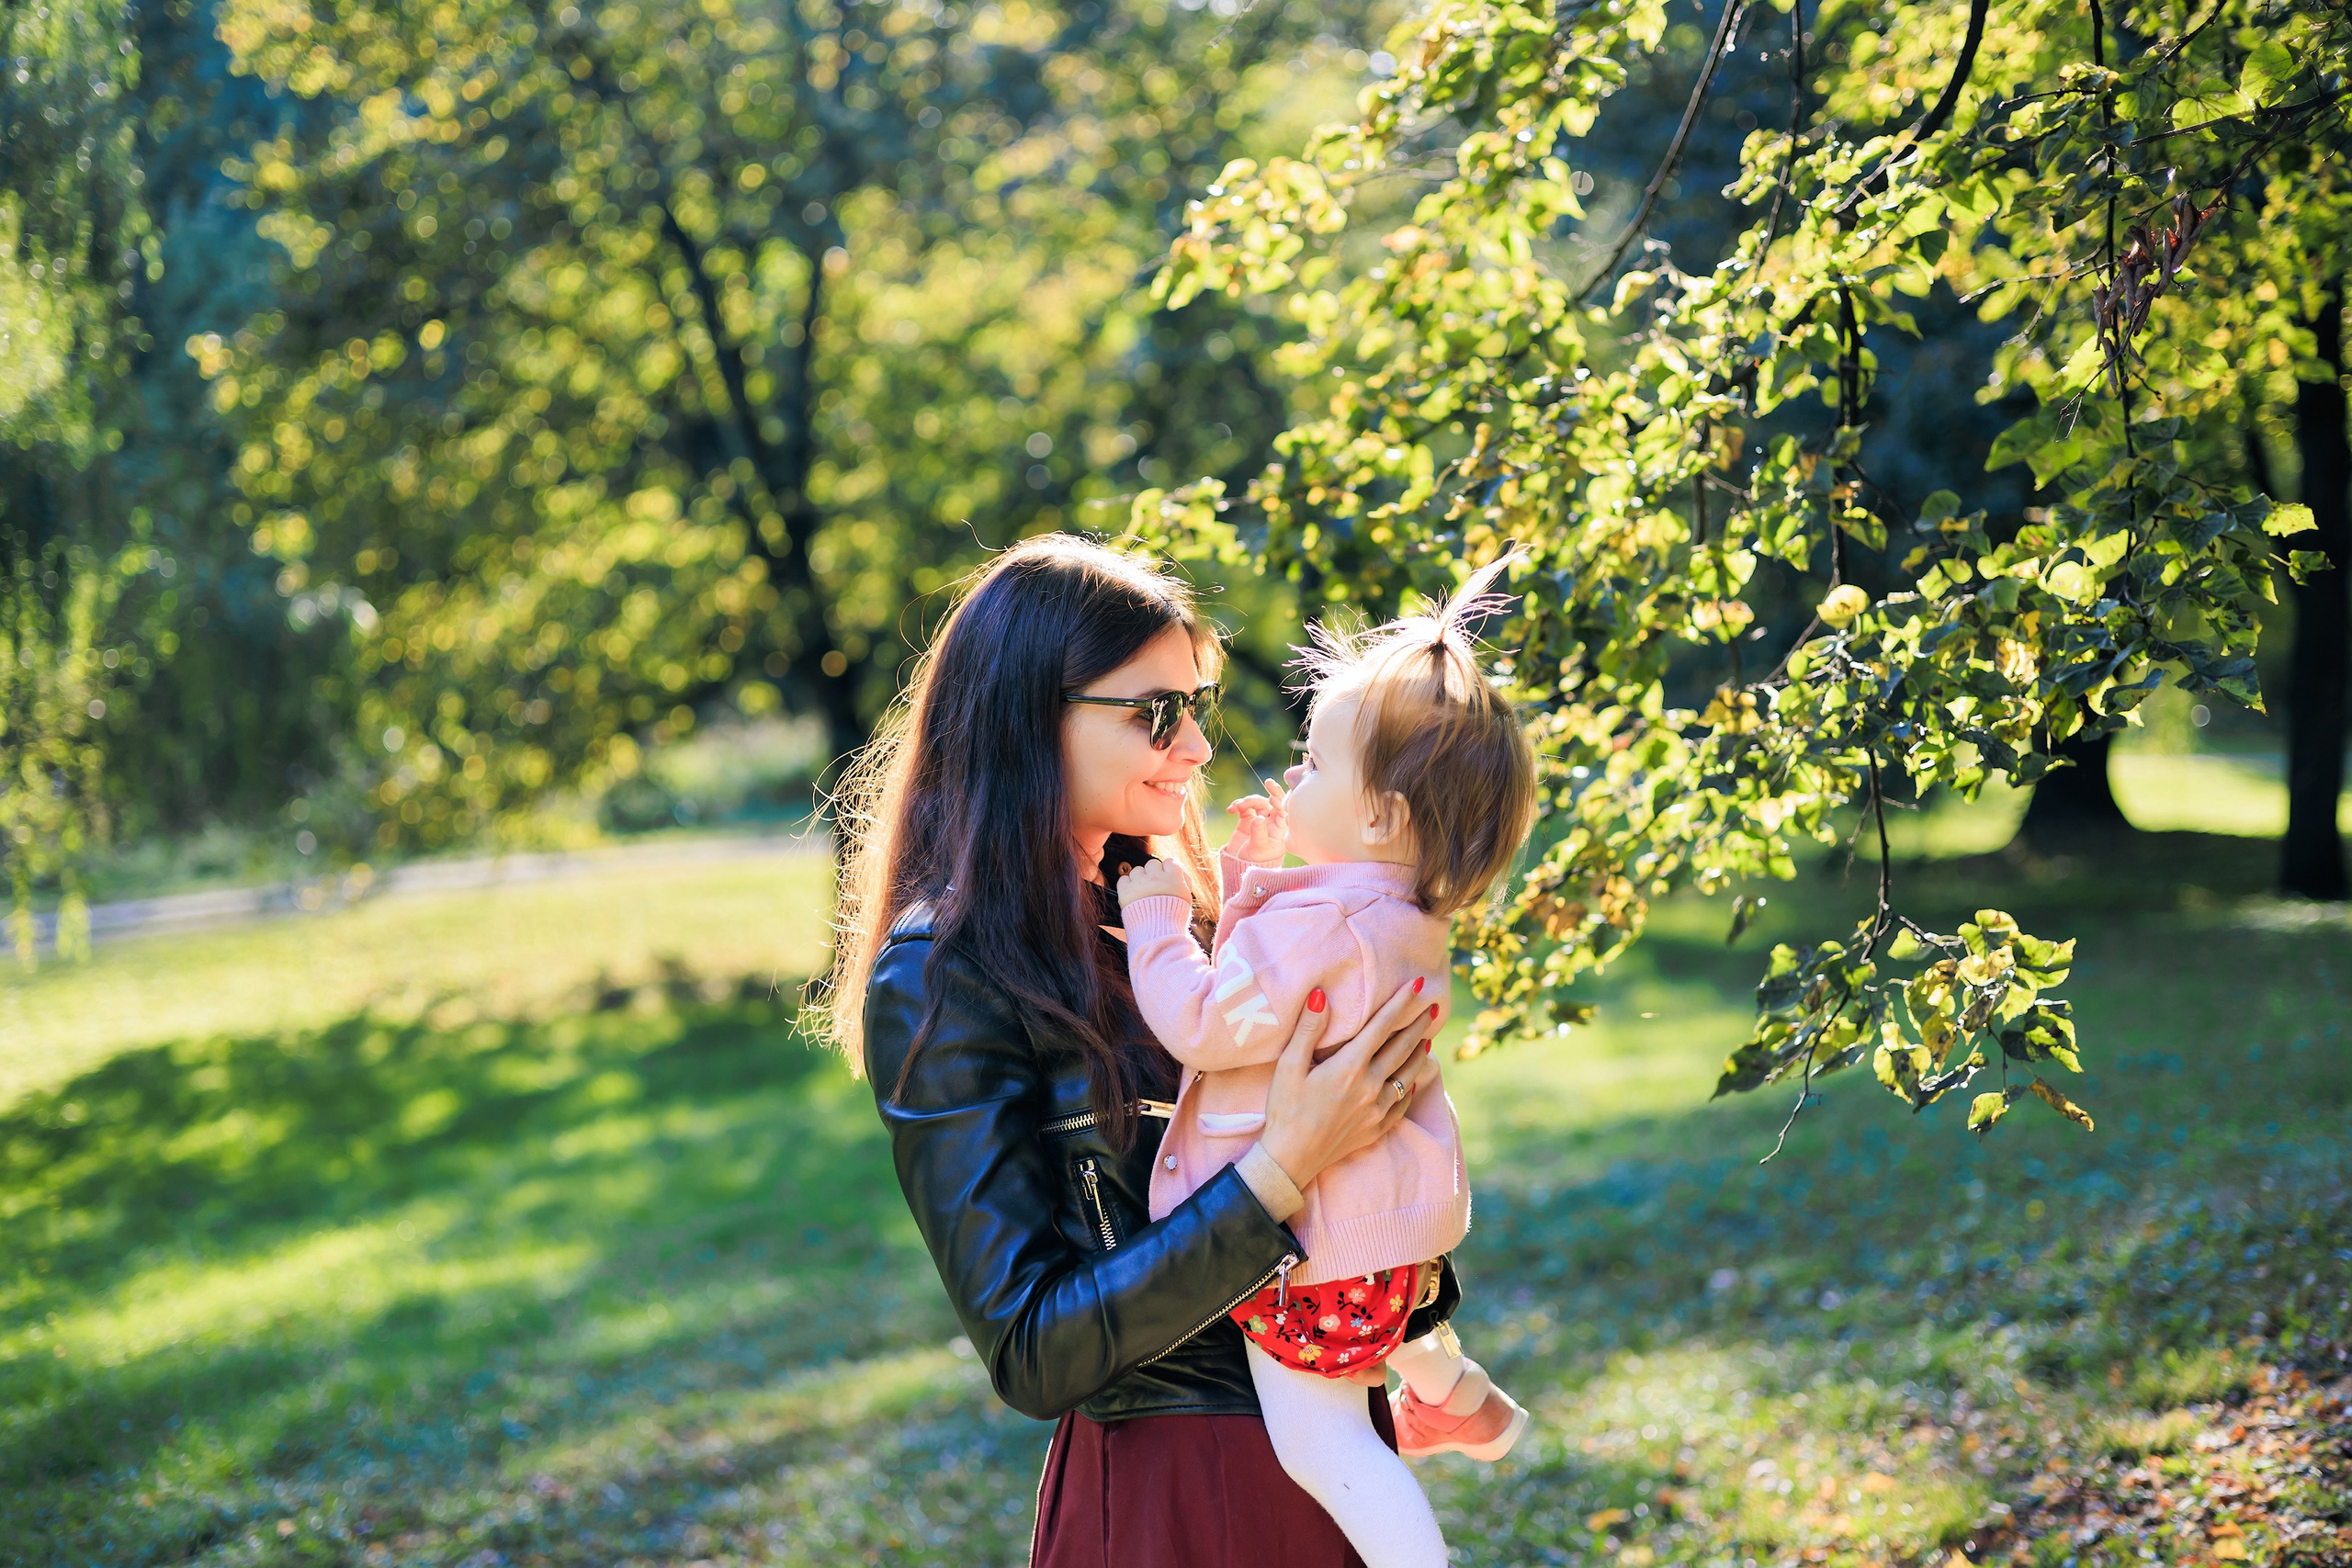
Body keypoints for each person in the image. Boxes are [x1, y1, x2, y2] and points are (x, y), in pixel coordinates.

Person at [820, 535, 1455, 1568]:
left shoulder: (1181, 919)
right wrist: (1276, 1171)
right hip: (1174, 1494)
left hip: (1325, 1454)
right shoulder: (942, 971)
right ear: (1032, 718)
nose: (1198, 747)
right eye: (1158, 714)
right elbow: (1031, 1348)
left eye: (1194, 704)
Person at [1113, 552, 1537, 1568]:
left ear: (1381, 814)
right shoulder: (1394, 916)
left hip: (1313, 1257)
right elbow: (1294, 980)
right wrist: (1254, 876)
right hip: (1387, 1241)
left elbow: (1208, 1024)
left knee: (1328, 1443)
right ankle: (1455, 1396)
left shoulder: (1324, 929)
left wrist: (1158, 911)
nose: (1291, 775)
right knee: (1382, 1329)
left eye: (1313, 762)